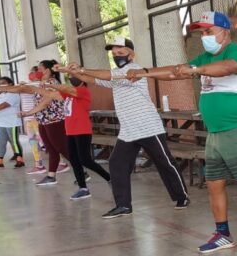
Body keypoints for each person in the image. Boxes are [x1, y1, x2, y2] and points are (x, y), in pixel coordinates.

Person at [142, 12, 237, 253]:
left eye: (208, 31)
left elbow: (228, 68)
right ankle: (222, 234)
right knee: (214, 183)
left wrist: (195, 70)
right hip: (215, 133)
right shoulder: (205, 58)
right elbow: (176, 71)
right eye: (201, 33)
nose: (204, 36)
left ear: (224, 32)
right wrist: (144, 73)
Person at [60, 37, 189, 218]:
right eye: (114, 53)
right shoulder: (116, 74)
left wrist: (81, 69)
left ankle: (182, 196)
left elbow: (105, 75)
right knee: (116, 163)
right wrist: (72, 71)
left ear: (131, 54)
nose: (116, 56)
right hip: (128, 130)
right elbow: (93, 79)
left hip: (147, 126)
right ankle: (123, 205)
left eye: (120, 52)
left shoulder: (134, 71)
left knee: (164, 162)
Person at [0, 60, 71, 186]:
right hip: (43, 121)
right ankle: (51, 176)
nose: (36, 71)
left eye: (39, 69)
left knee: (62, 149)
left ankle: (82, 170)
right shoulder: (40, 83)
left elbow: (45, 103)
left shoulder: (52, 83)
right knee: (51, 150)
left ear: (47, 70)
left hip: (54, 121)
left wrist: (28, 113)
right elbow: (21, 89)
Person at [42, 70, 112, 199]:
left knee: (85, 159)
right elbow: (50, 94)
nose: (71, 79)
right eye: (70, 76)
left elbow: (64, 88)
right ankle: (83, 188)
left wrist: (49, 84)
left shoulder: (82, 91)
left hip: (82, 130)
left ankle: (109, 178)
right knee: (74, 160)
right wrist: (32, 88)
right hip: (71, 131)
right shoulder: (68, 94)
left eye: (73, 76)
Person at [21, 66, 48, 175]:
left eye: (34, 73)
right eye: (31, 73)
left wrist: (24, 86)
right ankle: (39, 165)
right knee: (33, 143)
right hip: (28, 119)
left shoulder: (40, 85)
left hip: (36, 118)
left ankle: (61, 162)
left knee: (45, 142)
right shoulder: (27, 85)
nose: (32, 75)